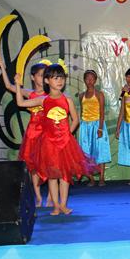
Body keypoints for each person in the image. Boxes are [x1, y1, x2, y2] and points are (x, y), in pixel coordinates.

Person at [15, 61, 95, 216]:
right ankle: (56, 206)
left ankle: (63, 205)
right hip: (49, 144)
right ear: (47, 80)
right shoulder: (43, 100)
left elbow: (75, 120)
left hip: (65, 143)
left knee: (65, 175)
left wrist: (67, 134)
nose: (60, 81)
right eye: (55, 78)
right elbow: (20, 102)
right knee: (52, 176)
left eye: (62, 78)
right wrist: (18, 85)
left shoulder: (67, 100)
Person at [0, 57, 49, 205]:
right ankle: (38, 196)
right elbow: (9, 86)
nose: (42, 78)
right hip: (33, 133)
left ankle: (52, 195)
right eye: (40, 75)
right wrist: (2, 67)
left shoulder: (50, 95)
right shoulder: (30, 93)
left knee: (50, 163)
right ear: (33, 77)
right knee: (33, 166)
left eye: (45, 75)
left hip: (47, 132)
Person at [78, 70, 111, 187]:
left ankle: (101, 178)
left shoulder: (99, 94)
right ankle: (91, 179)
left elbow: (102, 113)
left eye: (92, 78)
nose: (90, 81)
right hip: (85, 127)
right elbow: (81, 112)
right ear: (84, 80)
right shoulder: (81, 96)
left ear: (95, 80)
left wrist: (100, 128)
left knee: (100, 151)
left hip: (97, 125)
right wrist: (81, 127)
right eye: (87, 78)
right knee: (86, 153)